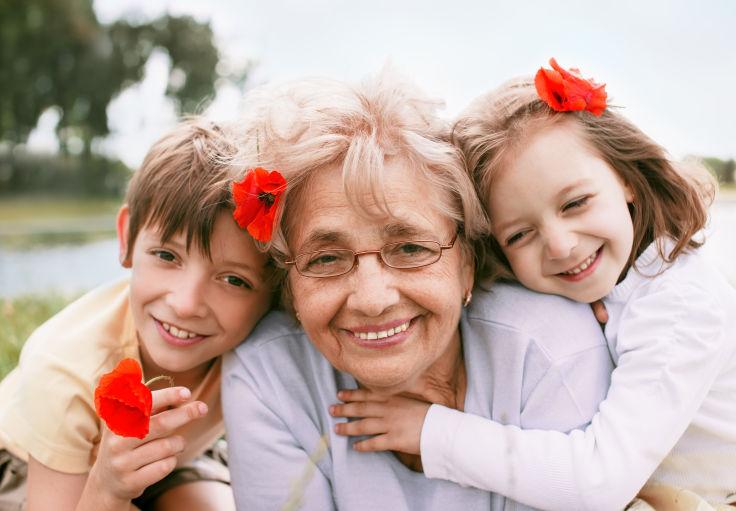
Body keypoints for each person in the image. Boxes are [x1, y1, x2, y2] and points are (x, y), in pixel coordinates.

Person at [332, 60, 736, 510]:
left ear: (626, 178)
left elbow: (599, 483)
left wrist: (431, 431)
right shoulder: (617, 283)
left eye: (576, 202)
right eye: (520, 235)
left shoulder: (680, 304)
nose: (561, 246)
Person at [221, 70, 614, 510]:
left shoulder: (547, 349)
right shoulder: (268, 376)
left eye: (409, 247)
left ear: (467, 262)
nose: (373, 299)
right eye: (326, 259)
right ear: (290, 286)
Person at [0, 118, 278, 511]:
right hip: (34, 459)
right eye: (167, 256)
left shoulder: (269, 342)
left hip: (175, 455)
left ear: (276, 292)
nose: (185, 304)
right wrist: (108, 490)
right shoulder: (64, 369)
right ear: (128, 237)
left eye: (233, 279)